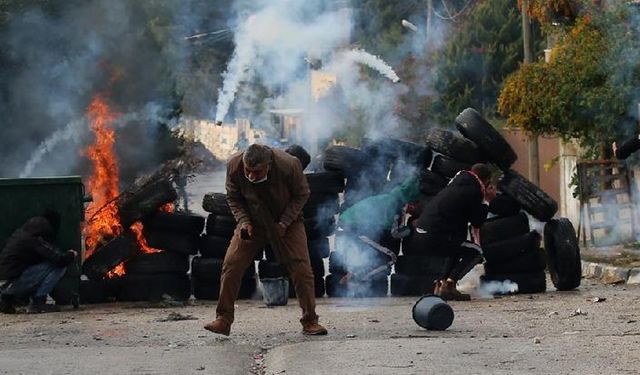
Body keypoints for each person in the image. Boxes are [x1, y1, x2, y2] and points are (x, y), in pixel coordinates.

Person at [204, 144, 327, 336]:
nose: (251, 176)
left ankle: (310, 320)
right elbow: (233, 197)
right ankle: (223, 319)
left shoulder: (290, 165)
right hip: (253, 222)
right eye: (248, 171)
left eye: (257, 172)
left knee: (302, 269)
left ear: (268, 165)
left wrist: (285, 222)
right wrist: (244, 222)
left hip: (288, 221)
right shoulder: (234, 165)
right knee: (231, 265)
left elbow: (302, 194)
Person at [410, 163, 497, 301]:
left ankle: (441, 285)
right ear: (485, 180)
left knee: (456, 248)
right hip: (436, 235)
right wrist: (487, 201)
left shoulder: (456, 183)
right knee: (477, 252)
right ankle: (449, 284)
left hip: (420, 235)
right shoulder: (474, 190)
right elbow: (477, 221)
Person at [0, 210, 77, 314]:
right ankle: (38, 302)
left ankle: (7, 301)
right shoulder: (35, 239)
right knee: (59, 267)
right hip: (13, 281)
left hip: (5, 282)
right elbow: (59, 260)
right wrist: (71, 255)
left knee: (39, 267)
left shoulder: (21, 234)